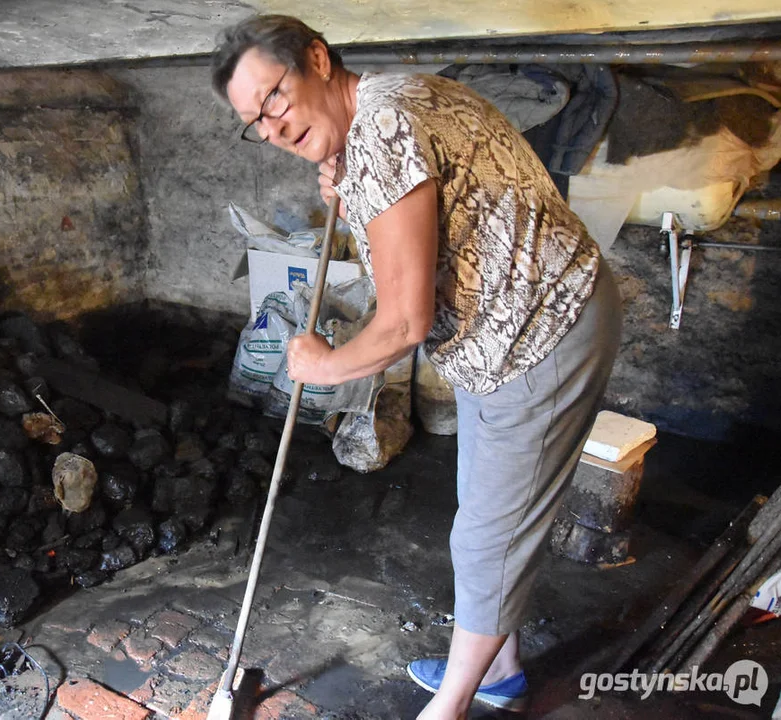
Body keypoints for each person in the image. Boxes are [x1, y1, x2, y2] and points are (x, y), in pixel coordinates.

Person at [211, 14, 623, 720]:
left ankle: (451, 706)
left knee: (490, 529)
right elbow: (421, 208)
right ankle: (498, 665)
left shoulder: (382, 133)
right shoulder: (392, 99)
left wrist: (327, 364)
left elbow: (405, 321)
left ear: (315, 57)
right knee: (492, 505)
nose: (272, 128)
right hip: (521, 325)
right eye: (254, 120)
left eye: (273, 97)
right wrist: (352, 194)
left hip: (538, 330)